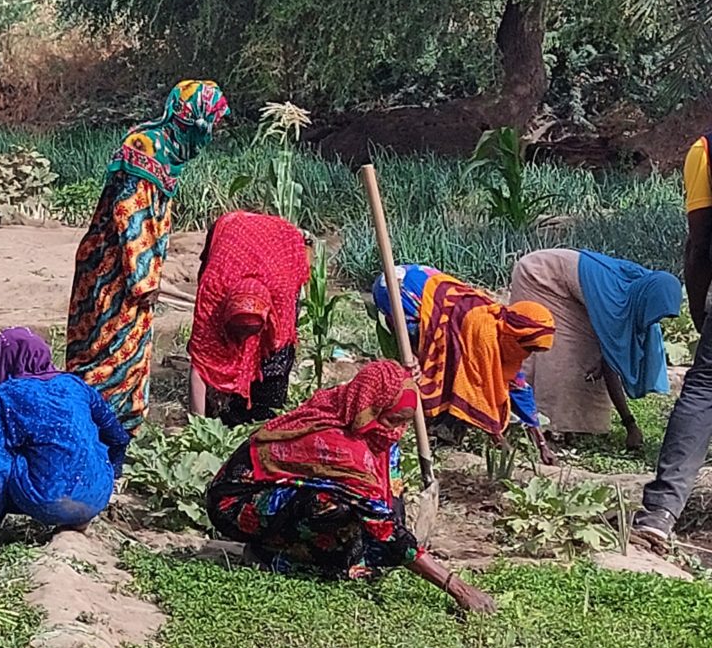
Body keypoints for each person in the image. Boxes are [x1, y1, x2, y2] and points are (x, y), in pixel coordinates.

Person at [204, 360, 496, 613]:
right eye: (392, 420)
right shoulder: (342, 451)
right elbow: (383, 525)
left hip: (278, 489)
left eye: (404, 423)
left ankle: (313, 548)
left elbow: (386, 385)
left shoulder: (347, 403)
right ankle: (272, 555)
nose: (397, 431)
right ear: (369, 408)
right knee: (332, 507)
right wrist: (454, 585)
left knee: (382, 468)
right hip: (237, 505)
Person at [66, 80, 229, 435]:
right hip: (113, 276)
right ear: (192, 124)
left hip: (133, 277)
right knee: (106, 353)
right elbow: (130, 215)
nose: (208, 139)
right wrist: (144, 279)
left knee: (131, 356)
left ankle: (116, 439)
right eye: (208, 128)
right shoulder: (146, 147)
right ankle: (89, 436)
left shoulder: (166, 152)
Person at [0, 328, 131, 550]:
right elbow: (117, 436)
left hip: (48, 500)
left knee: (2, 455)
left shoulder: (5, 396)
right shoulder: (74, 384)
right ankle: (79, 516)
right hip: (98, 496)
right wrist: (112, 476)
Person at [372, 264, 557, 463]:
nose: (528, 356)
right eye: (530, 349)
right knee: (439, 363)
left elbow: (518, 388)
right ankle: (431, 427)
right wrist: (500, 443)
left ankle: (441, 426)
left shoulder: (506, 334)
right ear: (518, 338)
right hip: (400, 289)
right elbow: (476, 392)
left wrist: (541, 445)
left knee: (453, 360)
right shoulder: (484, 336)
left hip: (427, 278)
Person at [632, 131, 712, 552]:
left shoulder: (704, 150)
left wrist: (698, 307)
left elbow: (700, 243)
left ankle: (661, 513)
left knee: (703, 391)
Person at [509, 249, 680, 445]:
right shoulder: (617, 303)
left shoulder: (642, 290)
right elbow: (610, 367)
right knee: (560, 351)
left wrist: (605, 355)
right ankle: (547, 426)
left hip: (567, 282)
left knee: (589, 350)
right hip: (539, 274)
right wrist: (630, 424)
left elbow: (610, 356)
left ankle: (571, 424)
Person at [188, 211, 310, 425]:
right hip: (233, 232)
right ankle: (229, 404)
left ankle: (263, 411)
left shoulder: (281, 296)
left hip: (283, 240)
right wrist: (197, 425)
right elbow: (199, 363)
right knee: (214, 349)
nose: (245, 340)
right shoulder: (213, 291)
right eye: (239, 332)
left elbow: (279, 342)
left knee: (276, 358)